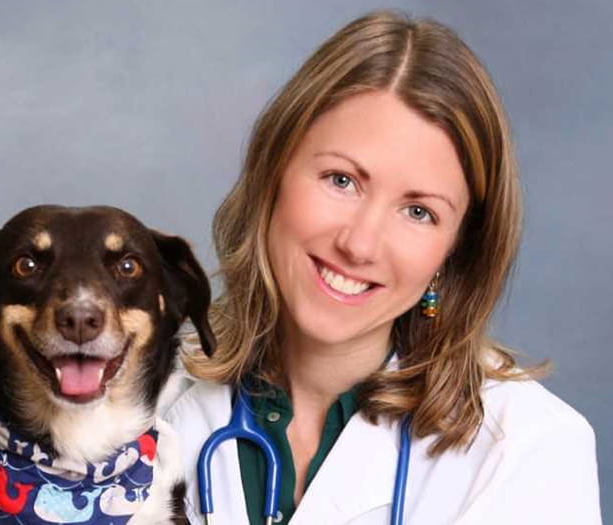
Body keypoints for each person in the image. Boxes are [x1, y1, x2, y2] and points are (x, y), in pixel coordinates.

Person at [156, 10, 602, 524]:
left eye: (419, 212)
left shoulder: (527, 449)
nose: (360, 244)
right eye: (342, 180)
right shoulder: (136, 404)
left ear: (456, 248)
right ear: (273, 172)